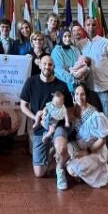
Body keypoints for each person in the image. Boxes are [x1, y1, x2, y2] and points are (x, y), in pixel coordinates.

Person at [20, 55, 73, 190]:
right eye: (44, 64)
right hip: (40, 127)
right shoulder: (31, 82)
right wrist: (36, 117)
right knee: (39, 173)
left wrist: (61, 119)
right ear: (40, 65)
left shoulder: (61, 86)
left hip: (58, 125)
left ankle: (60, 171)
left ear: (53, 67)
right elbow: (23, 106)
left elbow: (71, 110)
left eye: (50, 65)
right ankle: (52, 153)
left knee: (61, 148)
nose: (47, 67)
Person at [80, 17, 108, 163]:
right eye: (88, 24)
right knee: (92, 120)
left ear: (97, 27)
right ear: (84, 27)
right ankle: (96, 148)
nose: (90, 27)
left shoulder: (106, 42)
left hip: (105, 86)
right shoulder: (81, 44)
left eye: (93, 25)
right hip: (89, 89)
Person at [65, 84, 108, 188]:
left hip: (94, 151)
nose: (79, 97)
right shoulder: (71, 109)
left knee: (72, 169)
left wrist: (87, 151)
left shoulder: (95, 115)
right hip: (77, 146)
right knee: (61, 151)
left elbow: (102, 140)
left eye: (82, 94)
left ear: (87, 96)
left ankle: (93, 171)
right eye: (77, 94)